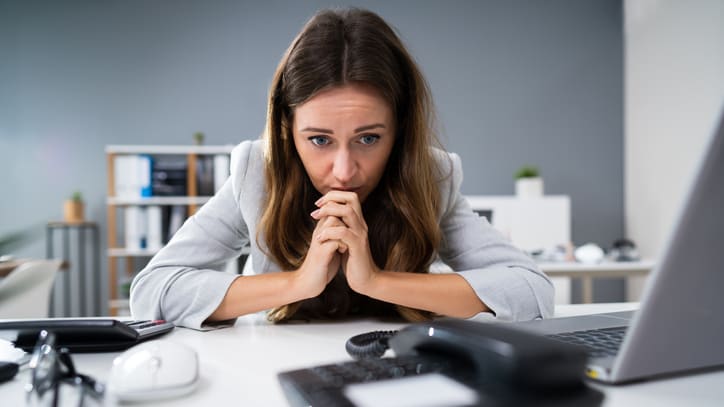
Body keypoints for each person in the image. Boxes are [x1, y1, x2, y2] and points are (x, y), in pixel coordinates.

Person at [130, 7, 553, 330]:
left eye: (369, 138)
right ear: (286, 129)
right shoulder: (256, 171)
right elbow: (152, 292)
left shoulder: (433, 174)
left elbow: (532, 292)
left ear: (400, 130)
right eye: (319, 140)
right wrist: (298, 283)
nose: (345, 171)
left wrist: (375, 280)